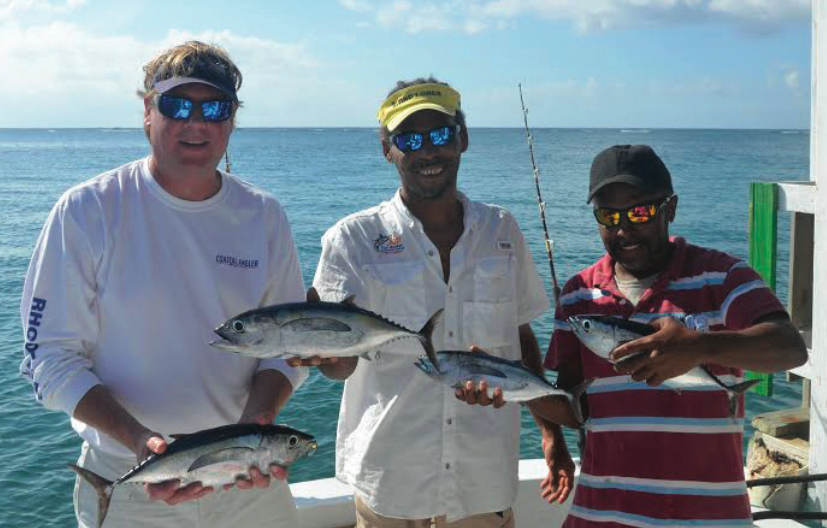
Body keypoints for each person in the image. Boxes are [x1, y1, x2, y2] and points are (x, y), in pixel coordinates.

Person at [19, 41, 307, 528]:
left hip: (246, 484)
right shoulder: (87, 211)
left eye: (214, 107)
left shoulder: (264, 215)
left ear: (232, 121)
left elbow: (287, 345)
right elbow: (48, 356)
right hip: (130, 480)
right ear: (148, 111)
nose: (197, 122)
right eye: (177, 105)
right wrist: (139, 441)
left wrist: (256, 428)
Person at [304, 77, 568, 527]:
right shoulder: (351, 239)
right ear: (387, 149)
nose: (429, 151)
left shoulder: (502, 230)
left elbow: (520, 335)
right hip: (390, 481)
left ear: (462, 139)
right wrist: (323, 355)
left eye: (441, 134)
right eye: (409, 139)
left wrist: (550, 432)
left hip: (482, 481)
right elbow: (340, 365)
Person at [544, 144, 808, 527]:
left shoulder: (723, 277)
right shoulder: (577, 295)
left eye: (639, 211)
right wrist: (512, 387)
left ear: (670, 208)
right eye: (608, 215)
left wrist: (698, 346)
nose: (623, 228)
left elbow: (789, 348)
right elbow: (574, 408)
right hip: (600, 516)